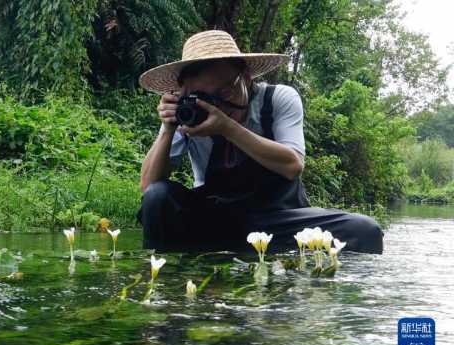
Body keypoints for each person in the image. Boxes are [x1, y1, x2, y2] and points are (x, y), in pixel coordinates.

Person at [135, 30, 384, 254]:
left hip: (279, 219)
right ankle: (168, 285)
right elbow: (149, 187)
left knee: (365, 231)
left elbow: (292, 164)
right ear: (185, 92)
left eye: (226, 92)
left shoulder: (278, 99)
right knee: (159, 196)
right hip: (215, 220)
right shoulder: (186, 112)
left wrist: (226, 127)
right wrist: (169, 129)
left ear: (246, 77)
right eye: (206, 98)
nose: (219, 105)